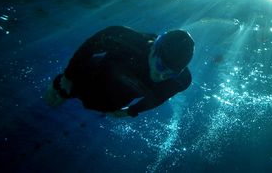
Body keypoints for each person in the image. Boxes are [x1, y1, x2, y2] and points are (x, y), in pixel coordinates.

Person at [44, 26, 194, 118]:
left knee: (102, 105)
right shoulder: (125, 40)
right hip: (90, 78)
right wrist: (68, 75)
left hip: (109, 102)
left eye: (170, 73)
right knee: (65, 90)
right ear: (154, 47)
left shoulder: (180, 80)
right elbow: (89, 47)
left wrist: (132, 111)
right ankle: (60, 87)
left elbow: (159, 97)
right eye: (161, 66)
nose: (161, 76)